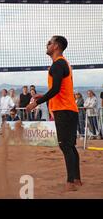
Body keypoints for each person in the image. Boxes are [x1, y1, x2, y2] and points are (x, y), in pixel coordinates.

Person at [26, 35, 82, 191]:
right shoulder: (64, 64)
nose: (47, 44)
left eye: (49, 43)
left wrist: (36, 103)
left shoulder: (58, 65)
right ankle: (76, 180)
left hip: (64, 110)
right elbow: (58, 89)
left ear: (56, 46)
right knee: (70, 146)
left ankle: (70, 183)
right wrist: (42, 94)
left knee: (65, 146)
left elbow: (56, 89)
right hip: (69, 109)